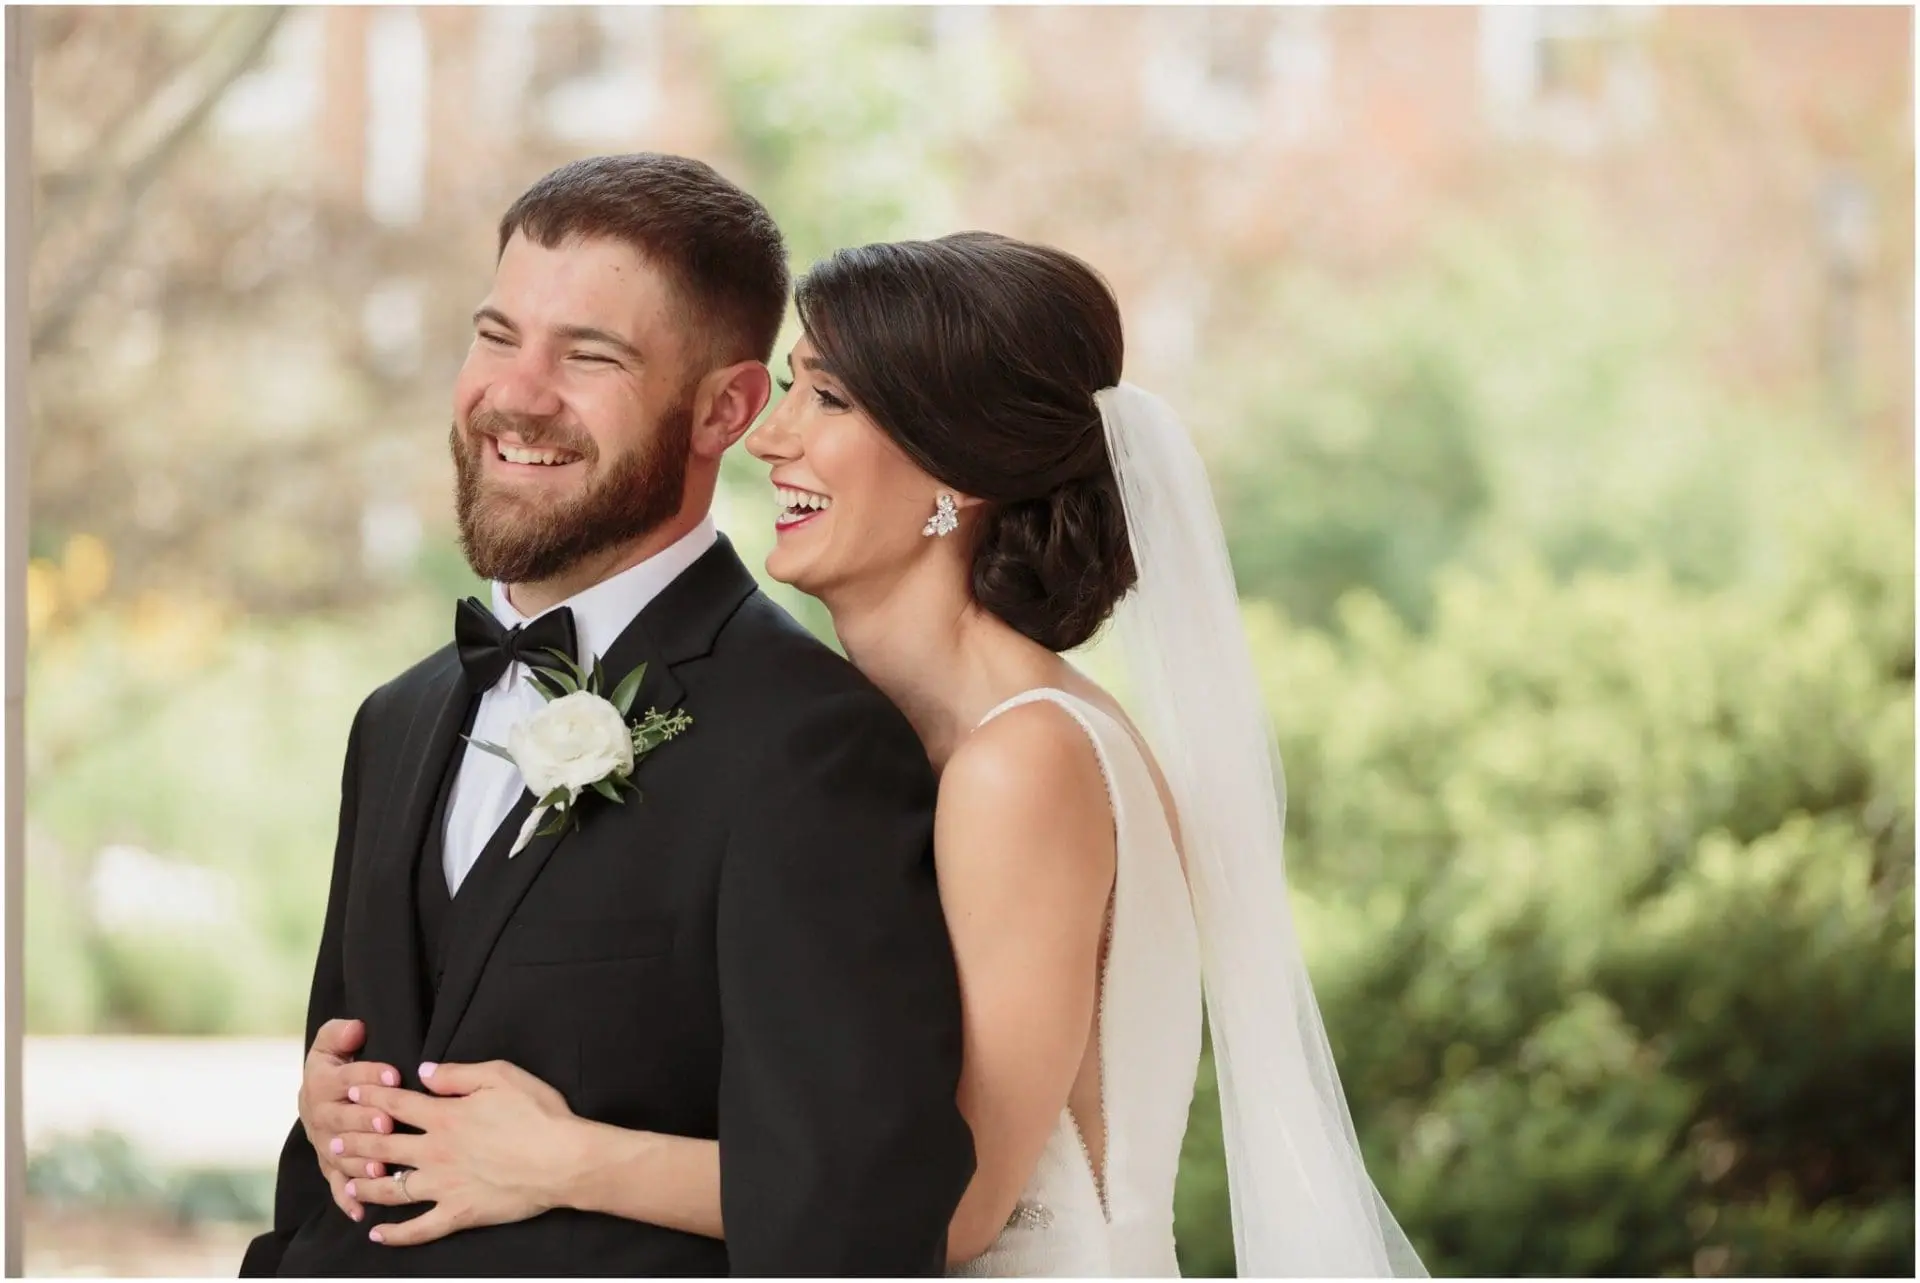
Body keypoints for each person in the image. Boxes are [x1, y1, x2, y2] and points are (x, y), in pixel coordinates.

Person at [321, 231, 1427, 1276]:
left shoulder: (1023, 760)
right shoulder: (872, 736)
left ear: (959, 470)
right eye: (790, 386)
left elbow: (955, 1201)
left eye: (830, 399)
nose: (770, 437)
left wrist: (565, 1158)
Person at [238, 155, 975, 1277]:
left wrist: (570, 1162)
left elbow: (861, 1206)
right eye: (497, 335)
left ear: (725, 408)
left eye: (589, 356)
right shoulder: (396, 718)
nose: (518, 394)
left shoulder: (812, 745)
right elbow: (326, 1167)